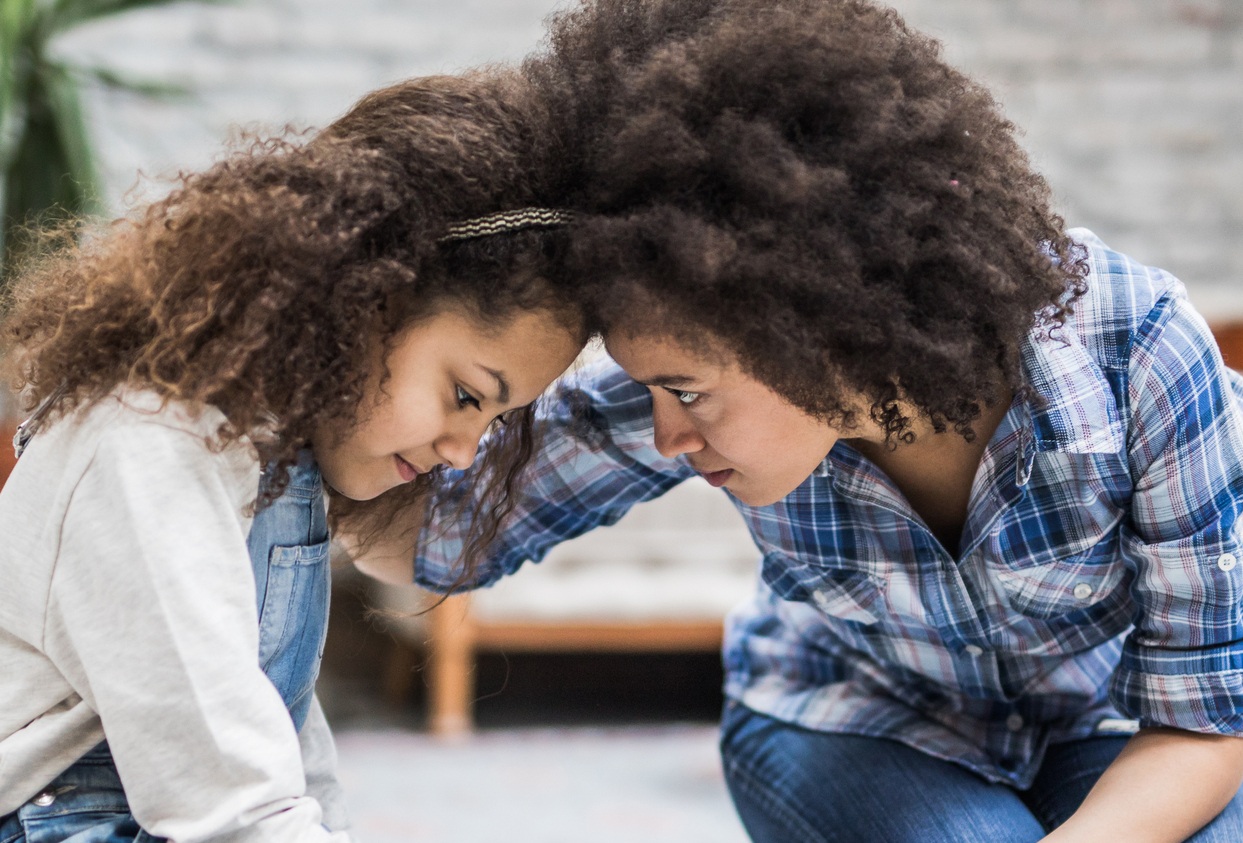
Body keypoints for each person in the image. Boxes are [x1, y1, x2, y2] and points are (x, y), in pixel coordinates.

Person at [351, 1, 1243, 840]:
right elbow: (424, 534)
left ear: (817, 325)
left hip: (1108, 721)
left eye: (689, 391)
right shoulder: (679, 377)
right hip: (844, 722)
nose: (665, 432)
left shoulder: (1139, 350)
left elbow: (1203, 720)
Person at [0, 70, 586, 841]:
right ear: (367, 303)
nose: (464, 451)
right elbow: (224, 798)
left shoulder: (280, 451)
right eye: (469, 396)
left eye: (496, 421)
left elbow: (275, 744)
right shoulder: (151, 445)